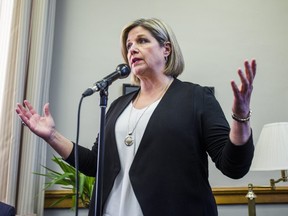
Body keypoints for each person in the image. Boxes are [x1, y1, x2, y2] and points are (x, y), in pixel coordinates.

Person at [16, 18, 256, 216]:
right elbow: (95, 165)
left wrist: (240, 117)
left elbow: (233, 166)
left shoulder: (195, 97)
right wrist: (51, 135)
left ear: (166, 49)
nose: (132, 48)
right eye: (129, 45)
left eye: (142, 41)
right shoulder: (118, 106)